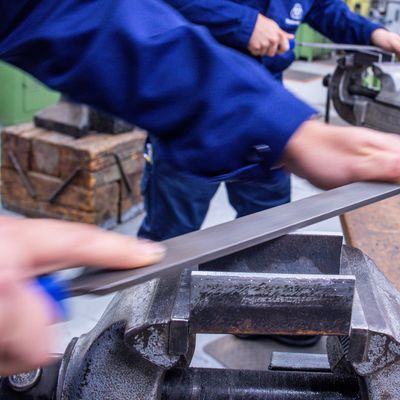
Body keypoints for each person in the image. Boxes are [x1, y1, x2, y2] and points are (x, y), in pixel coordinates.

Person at [2, 0, 400, 375]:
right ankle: (144, 335)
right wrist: (243, 24)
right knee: (165, 241)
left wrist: (280, 124)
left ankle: (256, 316)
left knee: (268, 228)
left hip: (255, 108)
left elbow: (70, 11)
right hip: (182, 123)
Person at [138, 0, 400, 242]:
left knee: (269, 230)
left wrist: (375, 34)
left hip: (267, 113)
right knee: (171, 234)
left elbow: (324, 7)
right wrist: (242, 23)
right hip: (193, 108)